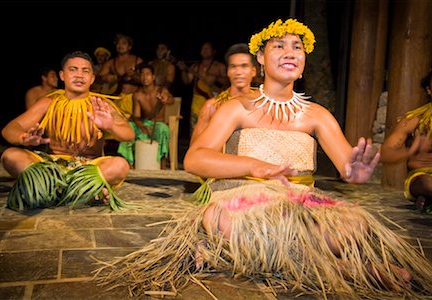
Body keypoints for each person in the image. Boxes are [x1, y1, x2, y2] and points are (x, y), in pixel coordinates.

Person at [94, 19, 432, 298]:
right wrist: (256, 167)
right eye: (279, 46)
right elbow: (195, 159)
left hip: (298, 202)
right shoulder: (237, 108)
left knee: (354, 226)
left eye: (297, 47)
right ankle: (345, 268)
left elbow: (348, 164)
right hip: (244, 200)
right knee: (224, 222)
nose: (290, 52)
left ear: (303, 61)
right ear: (260, 58)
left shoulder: (317, 115)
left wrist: (355, 172)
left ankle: (290, 258)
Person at [1, 51, 135, 211]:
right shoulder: (49, 102)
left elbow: (129, 134)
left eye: (85, 71)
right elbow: (10, 128)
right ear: (62, 75)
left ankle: (52, 190)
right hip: (50, 167)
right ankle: (85, 192)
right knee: (10, 156)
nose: (79, 75)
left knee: (120, 165)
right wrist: (23, 138)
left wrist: (110, 125)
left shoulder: (100, 104)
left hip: (89, 167)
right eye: (73, 69)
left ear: (92, 78)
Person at [380, 70, 432, 212]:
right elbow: (385, 154)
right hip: (421, 178)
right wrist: (410, 151)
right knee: (428, 183)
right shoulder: (414, 120)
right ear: (429, 89)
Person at [190, 43, 257, 144]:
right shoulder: (212, 106)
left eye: (244, 66)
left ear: (253, 71)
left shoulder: (262, 104)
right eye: (233, 67)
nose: (238, 72)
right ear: (228, 72)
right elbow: (195, 149)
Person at [117, 63, 174, 169]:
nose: (145, 77)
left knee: (163, 129)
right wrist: (142, 126)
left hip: (158, 124)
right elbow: (136, 116)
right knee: (128, 128)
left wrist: (166, 99)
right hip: (143, 123)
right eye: (142, 74)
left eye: (148, 74)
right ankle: (130, 165)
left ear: (153, 77)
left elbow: (171, 99)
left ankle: (162, 166)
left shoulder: (161, 90)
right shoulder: (137, 95)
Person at [177, 42, 227, 134]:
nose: (205, 50)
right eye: (203, 48)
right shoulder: (196, 66)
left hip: (215, 99)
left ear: (214, 51)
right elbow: (187, 81)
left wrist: (216, 78)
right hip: (197, 101)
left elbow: (228, 82)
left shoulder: (219, 66)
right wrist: (183, 70)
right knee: (195, 129)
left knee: (214, 129)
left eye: (207, 48)